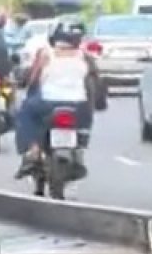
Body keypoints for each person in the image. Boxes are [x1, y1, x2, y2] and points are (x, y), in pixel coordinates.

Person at [13, 16, 98, 178]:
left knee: (25, 112)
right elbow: (94, 81)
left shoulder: (45, 54)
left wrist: (27, 83)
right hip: (78, 105)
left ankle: (33, 151)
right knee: (86, 119)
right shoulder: (85, 57)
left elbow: (33, 78)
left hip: (48, 103)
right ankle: (79, 150)